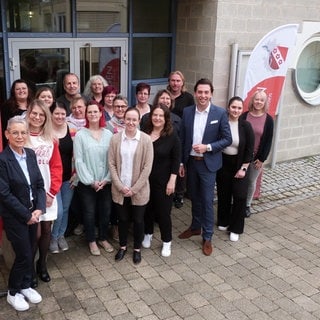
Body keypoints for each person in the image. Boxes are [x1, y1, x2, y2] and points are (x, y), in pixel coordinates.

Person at [178, 78, 232, 256]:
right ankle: (195, 227)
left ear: (211, 94)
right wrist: (181, 162)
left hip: (208, 164)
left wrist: (207, 147)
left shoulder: (220, 113)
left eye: (206, 92)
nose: (202, 95)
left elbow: (227, 139)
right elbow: (184, 139)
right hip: (191, 163)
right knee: (194, 197)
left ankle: (207, 236)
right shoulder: (187, 112)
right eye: (199, 92)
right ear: (195, 93)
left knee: (207, 200)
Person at [0, 116, 46, 312]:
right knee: (24, 254)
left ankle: (25, 285)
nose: (20, 136)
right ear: (7, 134)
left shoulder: (30, 154)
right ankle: (13, 292)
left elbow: (39, 185)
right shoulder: (2, 160)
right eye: (15, 132)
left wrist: (39, 208)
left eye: (23, 132)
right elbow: (4, 193)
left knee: (31, 250)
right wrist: (26, 215)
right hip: (16, 216)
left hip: (33, 213)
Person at [108, 108, 153, 264]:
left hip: (139, 190)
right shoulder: (115, 139)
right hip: (120, 189)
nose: (131, 122)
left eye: (134, 119)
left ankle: (137, 249)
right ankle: (122, 246)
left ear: (139, 121)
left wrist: (134, 189)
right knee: (123, 219)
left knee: (139, 220)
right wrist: (120, 186)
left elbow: (147, 167)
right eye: (128, 119)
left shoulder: (146, 140)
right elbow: (111, 164)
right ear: (124, 120)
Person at [25, 100, 62, 286]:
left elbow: (56, 167)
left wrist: (52, 192)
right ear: (28, 113)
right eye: (34, 113)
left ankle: (42, 264)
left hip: (47, 191)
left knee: (47, 229)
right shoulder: (22, 137)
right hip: (29, 194)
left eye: (41, 114)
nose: (37, 117)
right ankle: (30, 268)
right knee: (35, 233)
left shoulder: (51, 138)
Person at [74, 101, 114, 256]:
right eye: (89, 112)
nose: (92, 115)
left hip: (105, 182)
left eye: (95, 112)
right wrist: (91, 181)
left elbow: (113, 160)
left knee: (105, 211)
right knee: (89, 212)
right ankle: (91, 240)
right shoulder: (80, 135)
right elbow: (79, 160)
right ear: (86, 115)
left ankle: (103, 238)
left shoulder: (109, 134)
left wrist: (106, 179)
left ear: (101, 113)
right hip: (87, 183)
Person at [141, 104, 181, 257]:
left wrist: (172, 180)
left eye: (161, 116)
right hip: (145, 180)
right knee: (147, 209)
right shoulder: (144, 132)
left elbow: (176, 159)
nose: (157, 118)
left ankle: (166, 241)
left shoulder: (171, 135)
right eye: (155, 115)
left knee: (163, 213)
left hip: (164, 181)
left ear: (166, 119)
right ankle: (148, 233)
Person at [216, 96, 254, 242]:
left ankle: (236, 228)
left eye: (239, 108)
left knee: (239, 196)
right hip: (223, 163)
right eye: (233, 107)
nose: (236, 110)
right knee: (223, 193)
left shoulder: (246, 126)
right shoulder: (222, 123)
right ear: (228, 108)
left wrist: (243, 168)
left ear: (242, 109)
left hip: (240, 165)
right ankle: (224, 221)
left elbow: (250, 150)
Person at [240, 89, 274, 217]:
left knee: (250, 182)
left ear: (265, 102)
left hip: (256, 158)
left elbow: (268, 141)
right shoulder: (244, 116)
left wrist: (262, 158)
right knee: (239, 180)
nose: (258, 102)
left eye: (261, 100)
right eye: (256, 99)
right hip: (242, 156)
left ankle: (247, 205)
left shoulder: (268, 120)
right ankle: (237, 202)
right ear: (252, 100)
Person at [49, 102, 75, 253]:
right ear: (51, 114)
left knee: (65, 208)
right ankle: (53, 237)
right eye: (56, 113)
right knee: (57, 210)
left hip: (68, 177)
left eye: (62, 114)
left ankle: (61, 236)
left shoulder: (72, 128)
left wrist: (76, 175)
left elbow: (78, 154)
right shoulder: (46, 131)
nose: (60, 116)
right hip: (53, 179)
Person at [167, 71, 195, 209]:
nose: (175, 83)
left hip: (181, 134)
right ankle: (169, 191)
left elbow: (191, 116)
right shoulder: (165, 95)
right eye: (173, 80)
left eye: (178, 81)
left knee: (181, 164)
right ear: (169, 81)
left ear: (182, 82)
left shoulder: (188, 98)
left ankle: (179, 193)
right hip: (166, 134)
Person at [1, 79, 34, 148]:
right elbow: (5, 128)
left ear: (28, 90)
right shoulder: (7, 107)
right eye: (18, 89)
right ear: (14, 92)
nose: (21, 91)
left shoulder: (34, 105)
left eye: (24, 88)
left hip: (33, 142)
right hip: (15, 144)